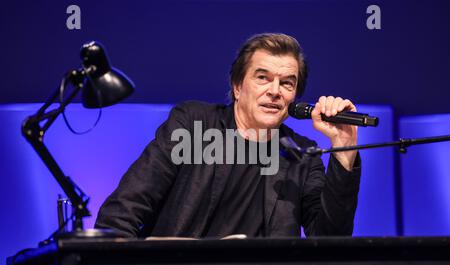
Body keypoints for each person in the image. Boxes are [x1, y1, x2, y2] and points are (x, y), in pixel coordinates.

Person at [95, 33, 361, 239]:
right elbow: (123, 211)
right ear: (237, 87)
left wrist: (344, 147)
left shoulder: (302, 155)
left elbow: (329, 239)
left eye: (287, 83)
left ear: (294, 97)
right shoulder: (193, 124)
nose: (275, 91)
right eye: (262, 78)